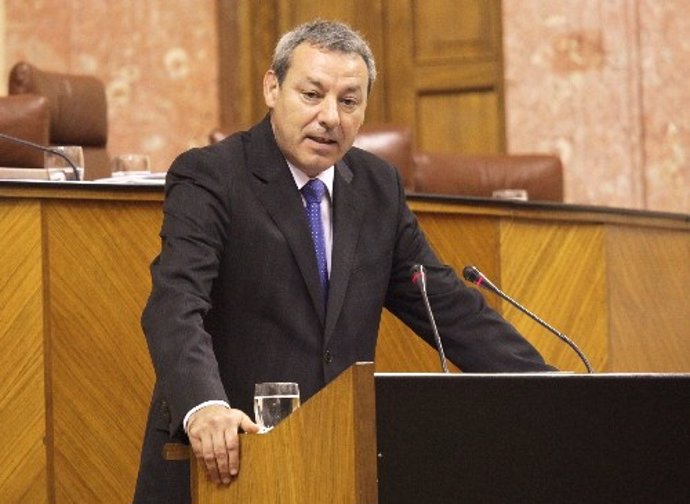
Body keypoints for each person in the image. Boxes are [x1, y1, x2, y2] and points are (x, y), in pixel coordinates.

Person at [132, 19, 554, 504]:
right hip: (225, 466)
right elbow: (175, 304)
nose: (330, 116)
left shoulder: (377, 188)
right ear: (273, 87)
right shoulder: (212, 176)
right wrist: (205, 406)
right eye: (312, 95)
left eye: (348, 101)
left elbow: (448, 308)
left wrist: (550, 391)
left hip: (334, 466)